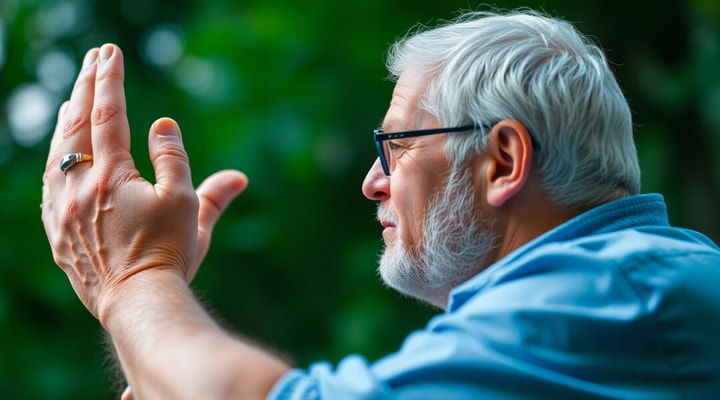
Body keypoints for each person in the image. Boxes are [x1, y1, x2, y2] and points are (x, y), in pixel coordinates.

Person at [41, 8, 720, 399]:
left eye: (395, 144)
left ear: (504, 160)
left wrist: (133, 277)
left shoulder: (614, 293)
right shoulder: (615, 302)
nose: (372, 181)